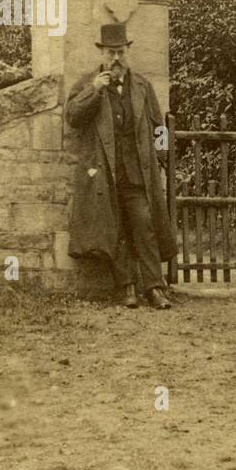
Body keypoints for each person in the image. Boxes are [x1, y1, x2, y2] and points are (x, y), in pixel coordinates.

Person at [65, 22, 176, 310]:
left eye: (121, 52)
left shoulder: (141, 86)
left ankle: (154, 288)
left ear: (128, 51)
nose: (116, 59)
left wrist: (161, 158)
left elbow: (159, 127)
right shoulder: (88, 83)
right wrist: (94, 90)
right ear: (101, 53)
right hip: (104, 173)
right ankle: (126, 287)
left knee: (144, 224)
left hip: (138, 172)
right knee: (113, 230)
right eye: (111, 53)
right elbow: (73, 118)